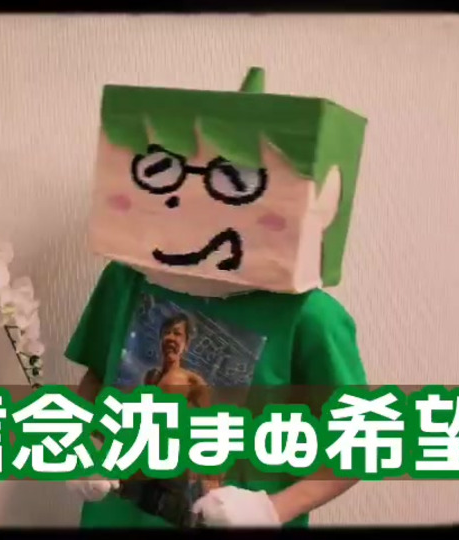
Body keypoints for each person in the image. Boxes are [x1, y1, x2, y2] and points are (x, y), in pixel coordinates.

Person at [64, 67, 369, 528]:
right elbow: (96, 376)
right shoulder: (127, 280)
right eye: (161, 173)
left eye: (235, 183)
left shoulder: (310, 317)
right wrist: (77, 446)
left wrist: (272, 508)